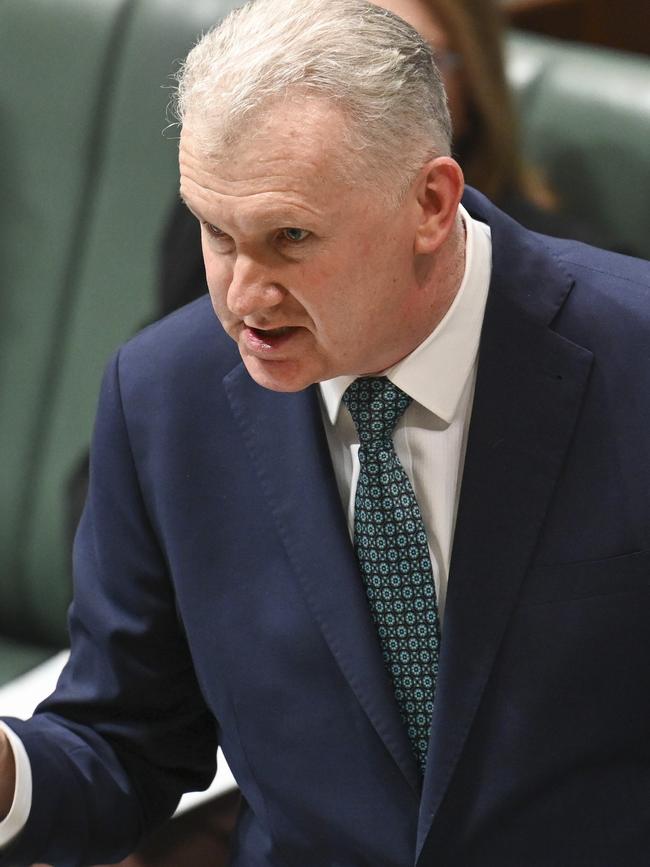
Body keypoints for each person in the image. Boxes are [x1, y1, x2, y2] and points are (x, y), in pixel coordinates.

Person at [1, 0, 650, 864]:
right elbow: (125, 739)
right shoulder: (165, 396)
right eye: (215, 231)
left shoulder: (633, 358)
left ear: (429, 201)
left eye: (290, 238)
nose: (242, 297)